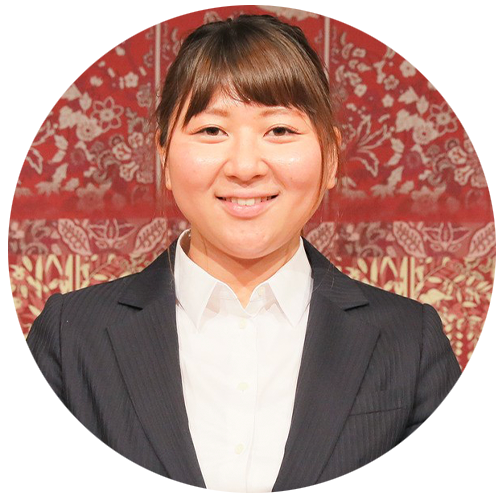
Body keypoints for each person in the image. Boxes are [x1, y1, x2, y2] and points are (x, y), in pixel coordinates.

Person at [8, 14, 489, 493]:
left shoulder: (408, 342)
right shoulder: (71, 338)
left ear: (331, 157)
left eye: (279, 130)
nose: (244, 166)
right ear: (164, 157)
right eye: (211, 130)